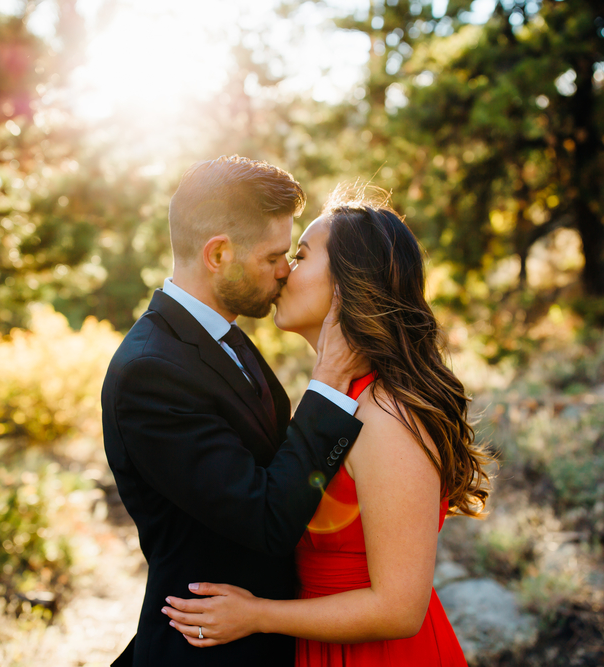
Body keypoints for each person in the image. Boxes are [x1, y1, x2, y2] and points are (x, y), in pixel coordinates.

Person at [161, 189, 493, 665]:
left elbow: (400, 610)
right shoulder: (340, 398)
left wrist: (257, 615)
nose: (283, 271)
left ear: (349, 282)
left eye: (299, 256)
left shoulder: (385, 415)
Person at [101, 157, 369, 667]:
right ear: (218, 253)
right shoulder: (149, 372)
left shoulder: (223, 334)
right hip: (210, 650)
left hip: (268, 637)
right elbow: (265, 518)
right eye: (274, 255)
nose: (285, 269)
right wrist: (330, 383)